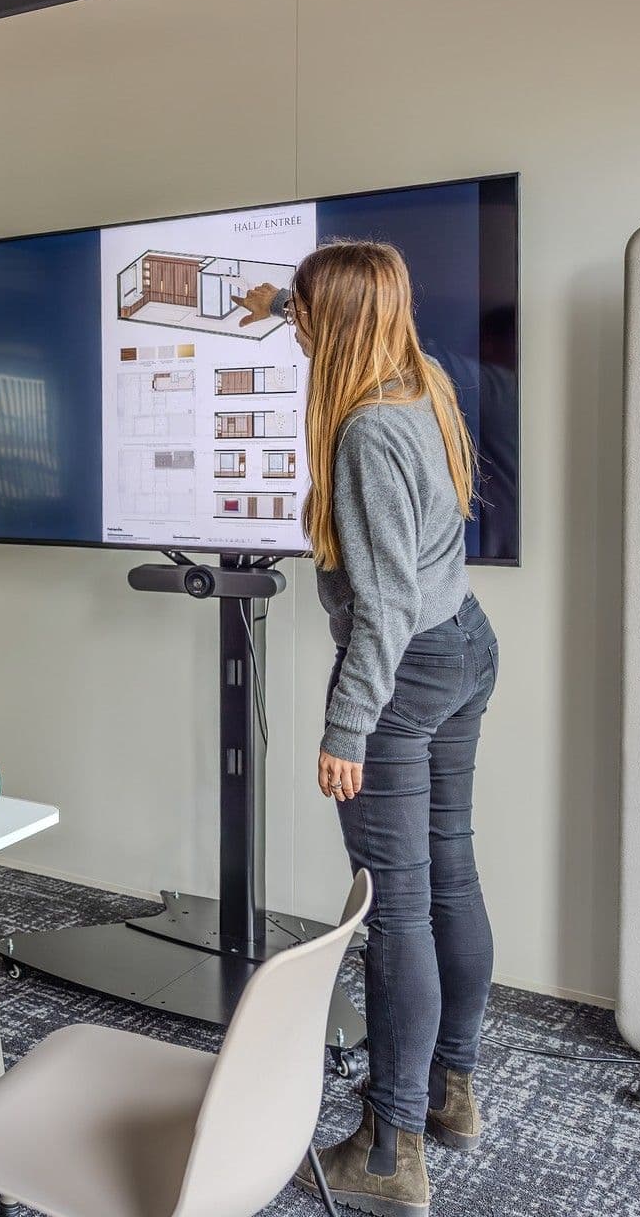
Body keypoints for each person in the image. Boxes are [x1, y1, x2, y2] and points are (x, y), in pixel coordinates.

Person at [243, 243, 499, 1217]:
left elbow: (382, 604)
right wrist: (270, 299)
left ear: (332, 325)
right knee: (448, 871)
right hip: (464, 643)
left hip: (405, 666)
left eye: (302, 313)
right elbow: (320, 311)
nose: (293, 322)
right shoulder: (415, 378)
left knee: (394, 910)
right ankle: (449, 1090)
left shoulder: (360, 434)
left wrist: (346, 726)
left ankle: (388, 1147)